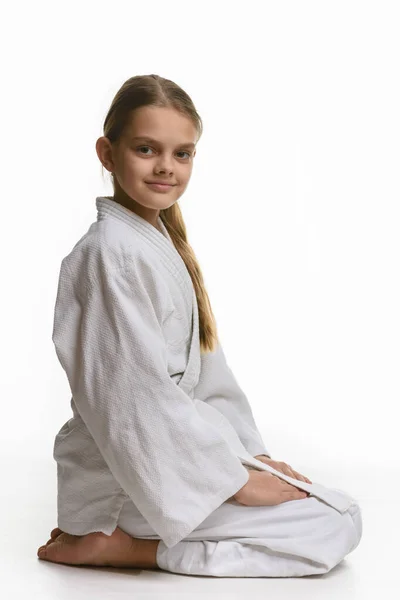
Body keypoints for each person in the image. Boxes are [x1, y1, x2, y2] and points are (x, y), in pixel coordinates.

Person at [37, 74, 362, 577]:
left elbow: (207, 376)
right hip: (131, 482)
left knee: (336, 509)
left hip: (179, 463)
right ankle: (126, 547)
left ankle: (128, 541)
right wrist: (234, 481)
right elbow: (131, 400)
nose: (166, 166)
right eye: (146, 149)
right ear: (107, 153)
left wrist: (251, 456)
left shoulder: (157, 244)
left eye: (182, 153)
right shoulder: (110, 254)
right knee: (335, 522)